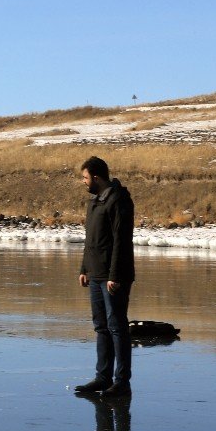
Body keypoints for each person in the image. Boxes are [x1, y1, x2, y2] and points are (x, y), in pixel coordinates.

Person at [75, 156, 135, 397]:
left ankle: (122, 381)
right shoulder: (94, 203)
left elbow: (121, 240)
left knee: (117, 326)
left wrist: (114, 275)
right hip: (96, 273)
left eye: (85, 178)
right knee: (101, 326)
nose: (83, 182)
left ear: (97, 177)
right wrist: (84, 269)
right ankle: (103, 377)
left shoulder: (118, 200)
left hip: (113, 276)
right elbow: (91, 240)